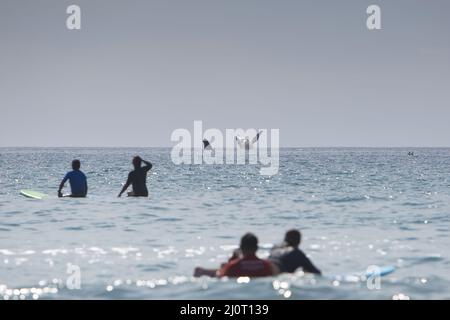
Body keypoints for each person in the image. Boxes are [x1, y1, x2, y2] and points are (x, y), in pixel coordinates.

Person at [194, 233, 278, 278]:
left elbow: (221, 277)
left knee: (218, 268)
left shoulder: (233, 266)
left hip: (231, 274)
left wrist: (230, 263)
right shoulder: (268, 266)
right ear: (256, 248)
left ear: (241, 248)